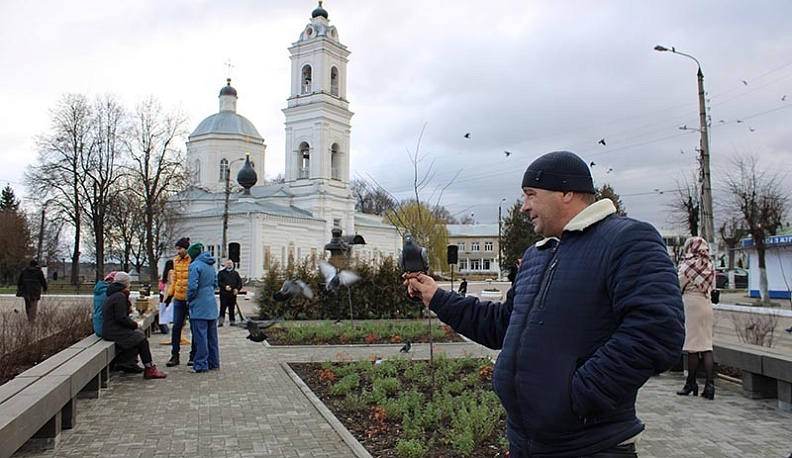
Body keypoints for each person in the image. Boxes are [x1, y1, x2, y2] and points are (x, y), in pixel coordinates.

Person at [405, 150, 685, 457]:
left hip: (589, 447)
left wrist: (578, 397)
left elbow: (658, 330)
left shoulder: (626, 240)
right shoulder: (538, 255)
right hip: (527, 442)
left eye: (531, 195)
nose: (524, 207)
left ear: (566, 193)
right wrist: (438, 297)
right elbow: (502, 326)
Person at [101, 271, 166, 379]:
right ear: (126, 283)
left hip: (109, 329)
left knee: (137, 335)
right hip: (113, 331)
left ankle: (128, 363)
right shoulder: (119, 296)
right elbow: (121, 318)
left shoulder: (113, 294)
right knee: (141, 339)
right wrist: (135, 325)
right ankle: (149, 368)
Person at [676, 236, 717, 400]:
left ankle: (691, 383)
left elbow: (677, 285)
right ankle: (710, 385)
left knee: (692, 346)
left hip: (691, 305)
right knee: (706, 346)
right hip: (706, 305)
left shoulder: (687, 266)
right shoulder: (710, 265)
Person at [186, 242, 220, 373]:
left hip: (199, 304)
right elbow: (215, 283)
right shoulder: (211, 265)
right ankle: (214, 362)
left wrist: (188, 299)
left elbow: (192, 286)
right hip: (211, 303)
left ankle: (200, 364)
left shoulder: (195, 266)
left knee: (200, 336)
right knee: (212, 336)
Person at [165, 237, 195, 367]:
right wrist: (169, 295)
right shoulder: (176, 261)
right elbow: (175, 280)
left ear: (186, 249)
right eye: (177, 249)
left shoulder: (192, 261)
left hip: (191, 298)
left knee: (194, 327)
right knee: (176, 326)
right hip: (178, 298)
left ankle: (193, 355)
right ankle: (174, 355)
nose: (178, 251)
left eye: (180, 248)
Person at [216, 258, 242, 327]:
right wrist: (225, 287)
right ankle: (221, 322)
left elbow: (239, 283)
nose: (229, 265)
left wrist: (237, 289)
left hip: (232, 294)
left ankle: (232, 321)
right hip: (224, 294)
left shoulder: (235, 273)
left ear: (232, 265)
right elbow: (218, 282)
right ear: (225, 265)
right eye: (228, 263)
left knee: (232, 308)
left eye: (230, 264)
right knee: (222, 308)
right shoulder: (221, 273)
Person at [158, 260, 174, 334]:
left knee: (166, 306)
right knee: (171, 306)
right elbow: (173, 282)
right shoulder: (171, 272)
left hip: (166, 290)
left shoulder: (166, 272)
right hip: (170, 290)